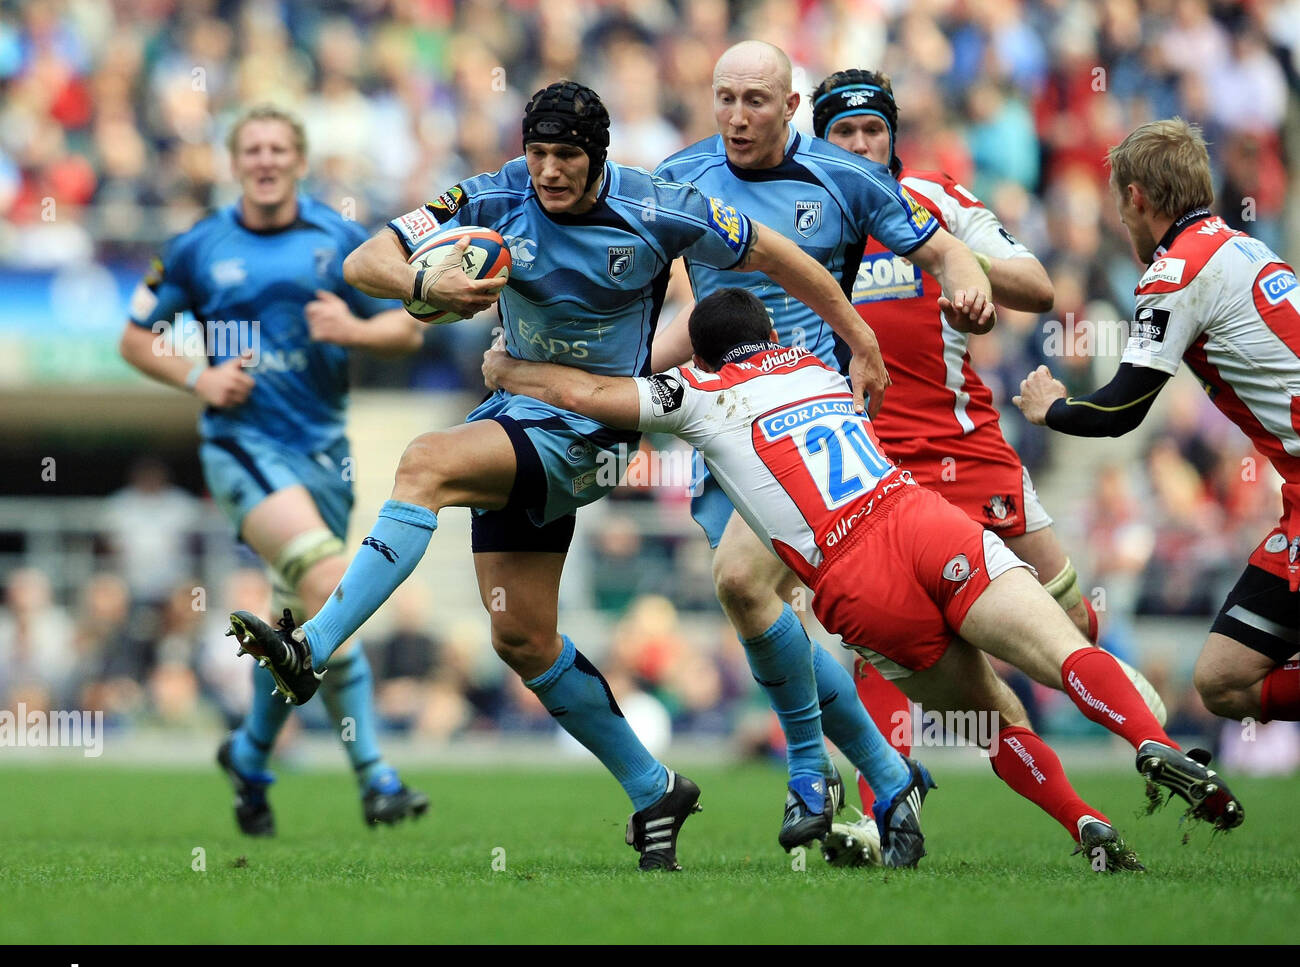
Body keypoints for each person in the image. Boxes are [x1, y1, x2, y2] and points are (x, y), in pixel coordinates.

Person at [226, 81, 916, 870]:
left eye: (567, 156)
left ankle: (310, 648)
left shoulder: (660, 208)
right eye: (539, 152)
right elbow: (364, 259)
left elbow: (776, 254)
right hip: (517, 419)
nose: (549, 171)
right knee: (521, 637)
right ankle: (654, 787)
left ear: (599, 156)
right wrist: (428, 284)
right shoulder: (491, 195)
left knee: (424, 463)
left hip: (595, 432)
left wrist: (858, 338)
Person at [484, 286, 1248, 868]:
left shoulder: (699, 395)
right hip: (919, 518)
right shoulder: (818, 365)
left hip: (854, 583)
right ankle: (1151, 740)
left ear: (708, 358)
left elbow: (589, 395)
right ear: (773, 336)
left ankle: (1084, 822)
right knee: (1058, 650)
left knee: (997, 716)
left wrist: (510, 366)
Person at [807, 67, 1167, 862]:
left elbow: (1036, 286)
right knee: (889, 654)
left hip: (969, 453)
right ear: (820, 140)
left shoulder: (937, 200)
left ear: (893, 138)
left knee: (1065, 623)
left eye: (873, 131)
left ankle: (1146, 731)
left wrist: (959, 267)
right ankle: (891, 811)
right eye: (844, 133)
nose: (861, 145)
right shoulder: (801, 223)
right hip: (873, 479)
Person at [651, 41, 995, 858]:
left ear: (792, 104)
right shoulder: (679, 175)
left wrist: (965, 274)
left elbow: (938, 245)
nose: (737, 116)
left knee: (742, 580)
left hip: (809, 419)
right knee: (765, 614)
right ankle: (887, 773)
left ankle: (812, 770)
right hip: (719, 422)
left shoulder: (845, 177)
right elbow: (645, 283)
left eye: (756, 101)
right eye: (724, 97)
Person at [118, 104, 429, 835]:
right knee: (330, 585)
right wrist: (199, 378)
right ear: (234, 162)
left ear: (299, 160)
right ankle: (377, 776)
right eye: (251, 148)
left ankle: (251, 756)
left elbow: (410, 327)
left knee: (297, 625)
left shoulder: (339, 240)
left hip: (325, 454)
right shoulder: (198, 248)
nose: (264, 159)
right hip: (241, 448)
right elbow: (134, 340)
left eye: (277, 148)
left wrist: (354, 329)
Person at [1016, 117, 1300, 728]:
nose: (1121, 222)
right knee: (1224, 680)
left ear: (1137, 198)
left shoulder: (1177, 269)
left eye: (1120, 207)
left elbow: (1122, 407)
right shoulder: (1242, 245)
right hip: (1296, 495)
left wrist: (1052, 410)